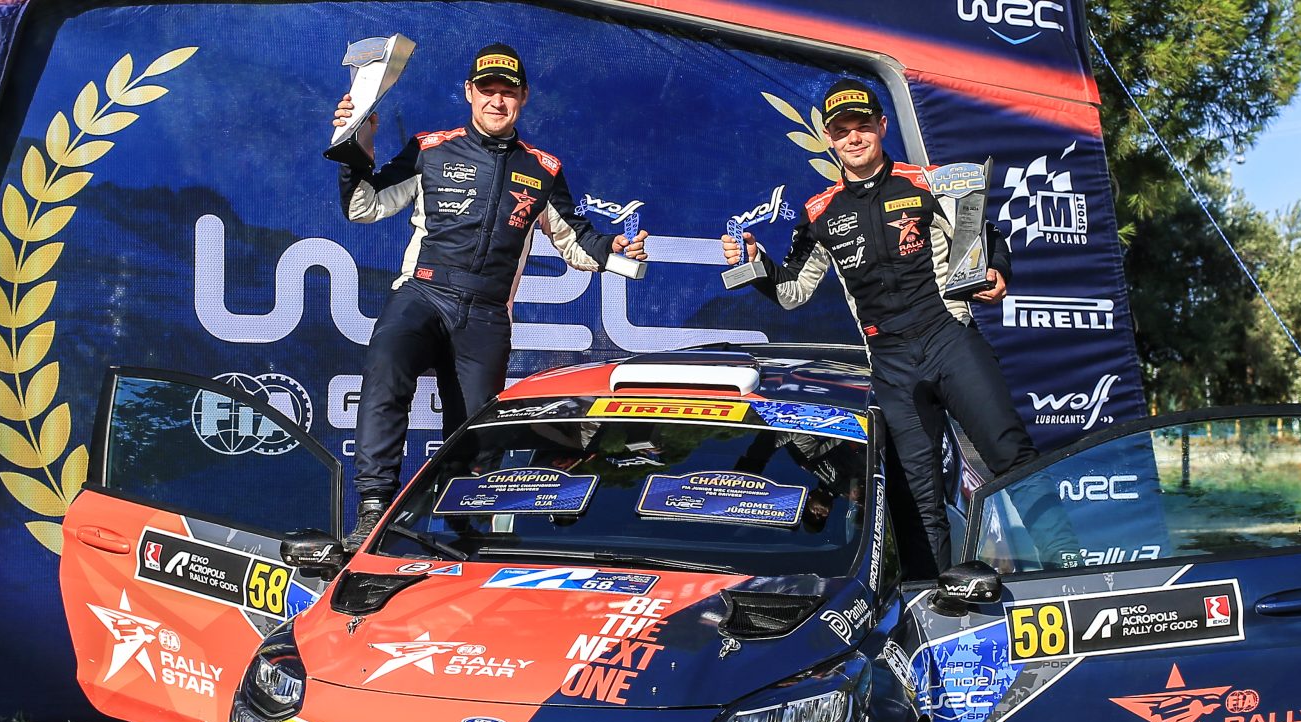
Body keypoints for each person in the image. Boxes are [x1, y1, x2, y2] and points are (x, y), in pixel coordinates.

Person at [332, 43, 648, 551]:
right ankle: (373, 507)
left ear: (523, 98)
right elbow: (363, 207)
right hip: (423, 292)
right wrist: (355, 143)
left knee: (475, 432)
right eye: (487, 90)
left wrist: (614, 248)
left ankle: (459, 530)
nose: (497, 101)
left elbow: (576, 241)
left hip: (486, 313)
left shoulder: (543, 168)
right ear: (469, 92)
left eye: (508, 92)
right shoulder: (430, 148)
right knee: (385, 369)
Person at [721, 79, 1035, 578]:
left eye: (863, 126)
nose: (854, 137)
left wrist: (997, 270)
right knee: (916, 498)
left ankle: (1072, 570)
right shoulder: (820, 212)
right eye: (842, 130)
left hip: (948, 337)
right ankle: (930, 601)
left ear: (882, 127)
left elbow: (985, 235)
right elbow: (792, 291)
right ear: (828, 138)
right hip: (889, 362)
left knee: (1012, 458)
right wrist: (754, 263)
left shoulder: (927, 182)